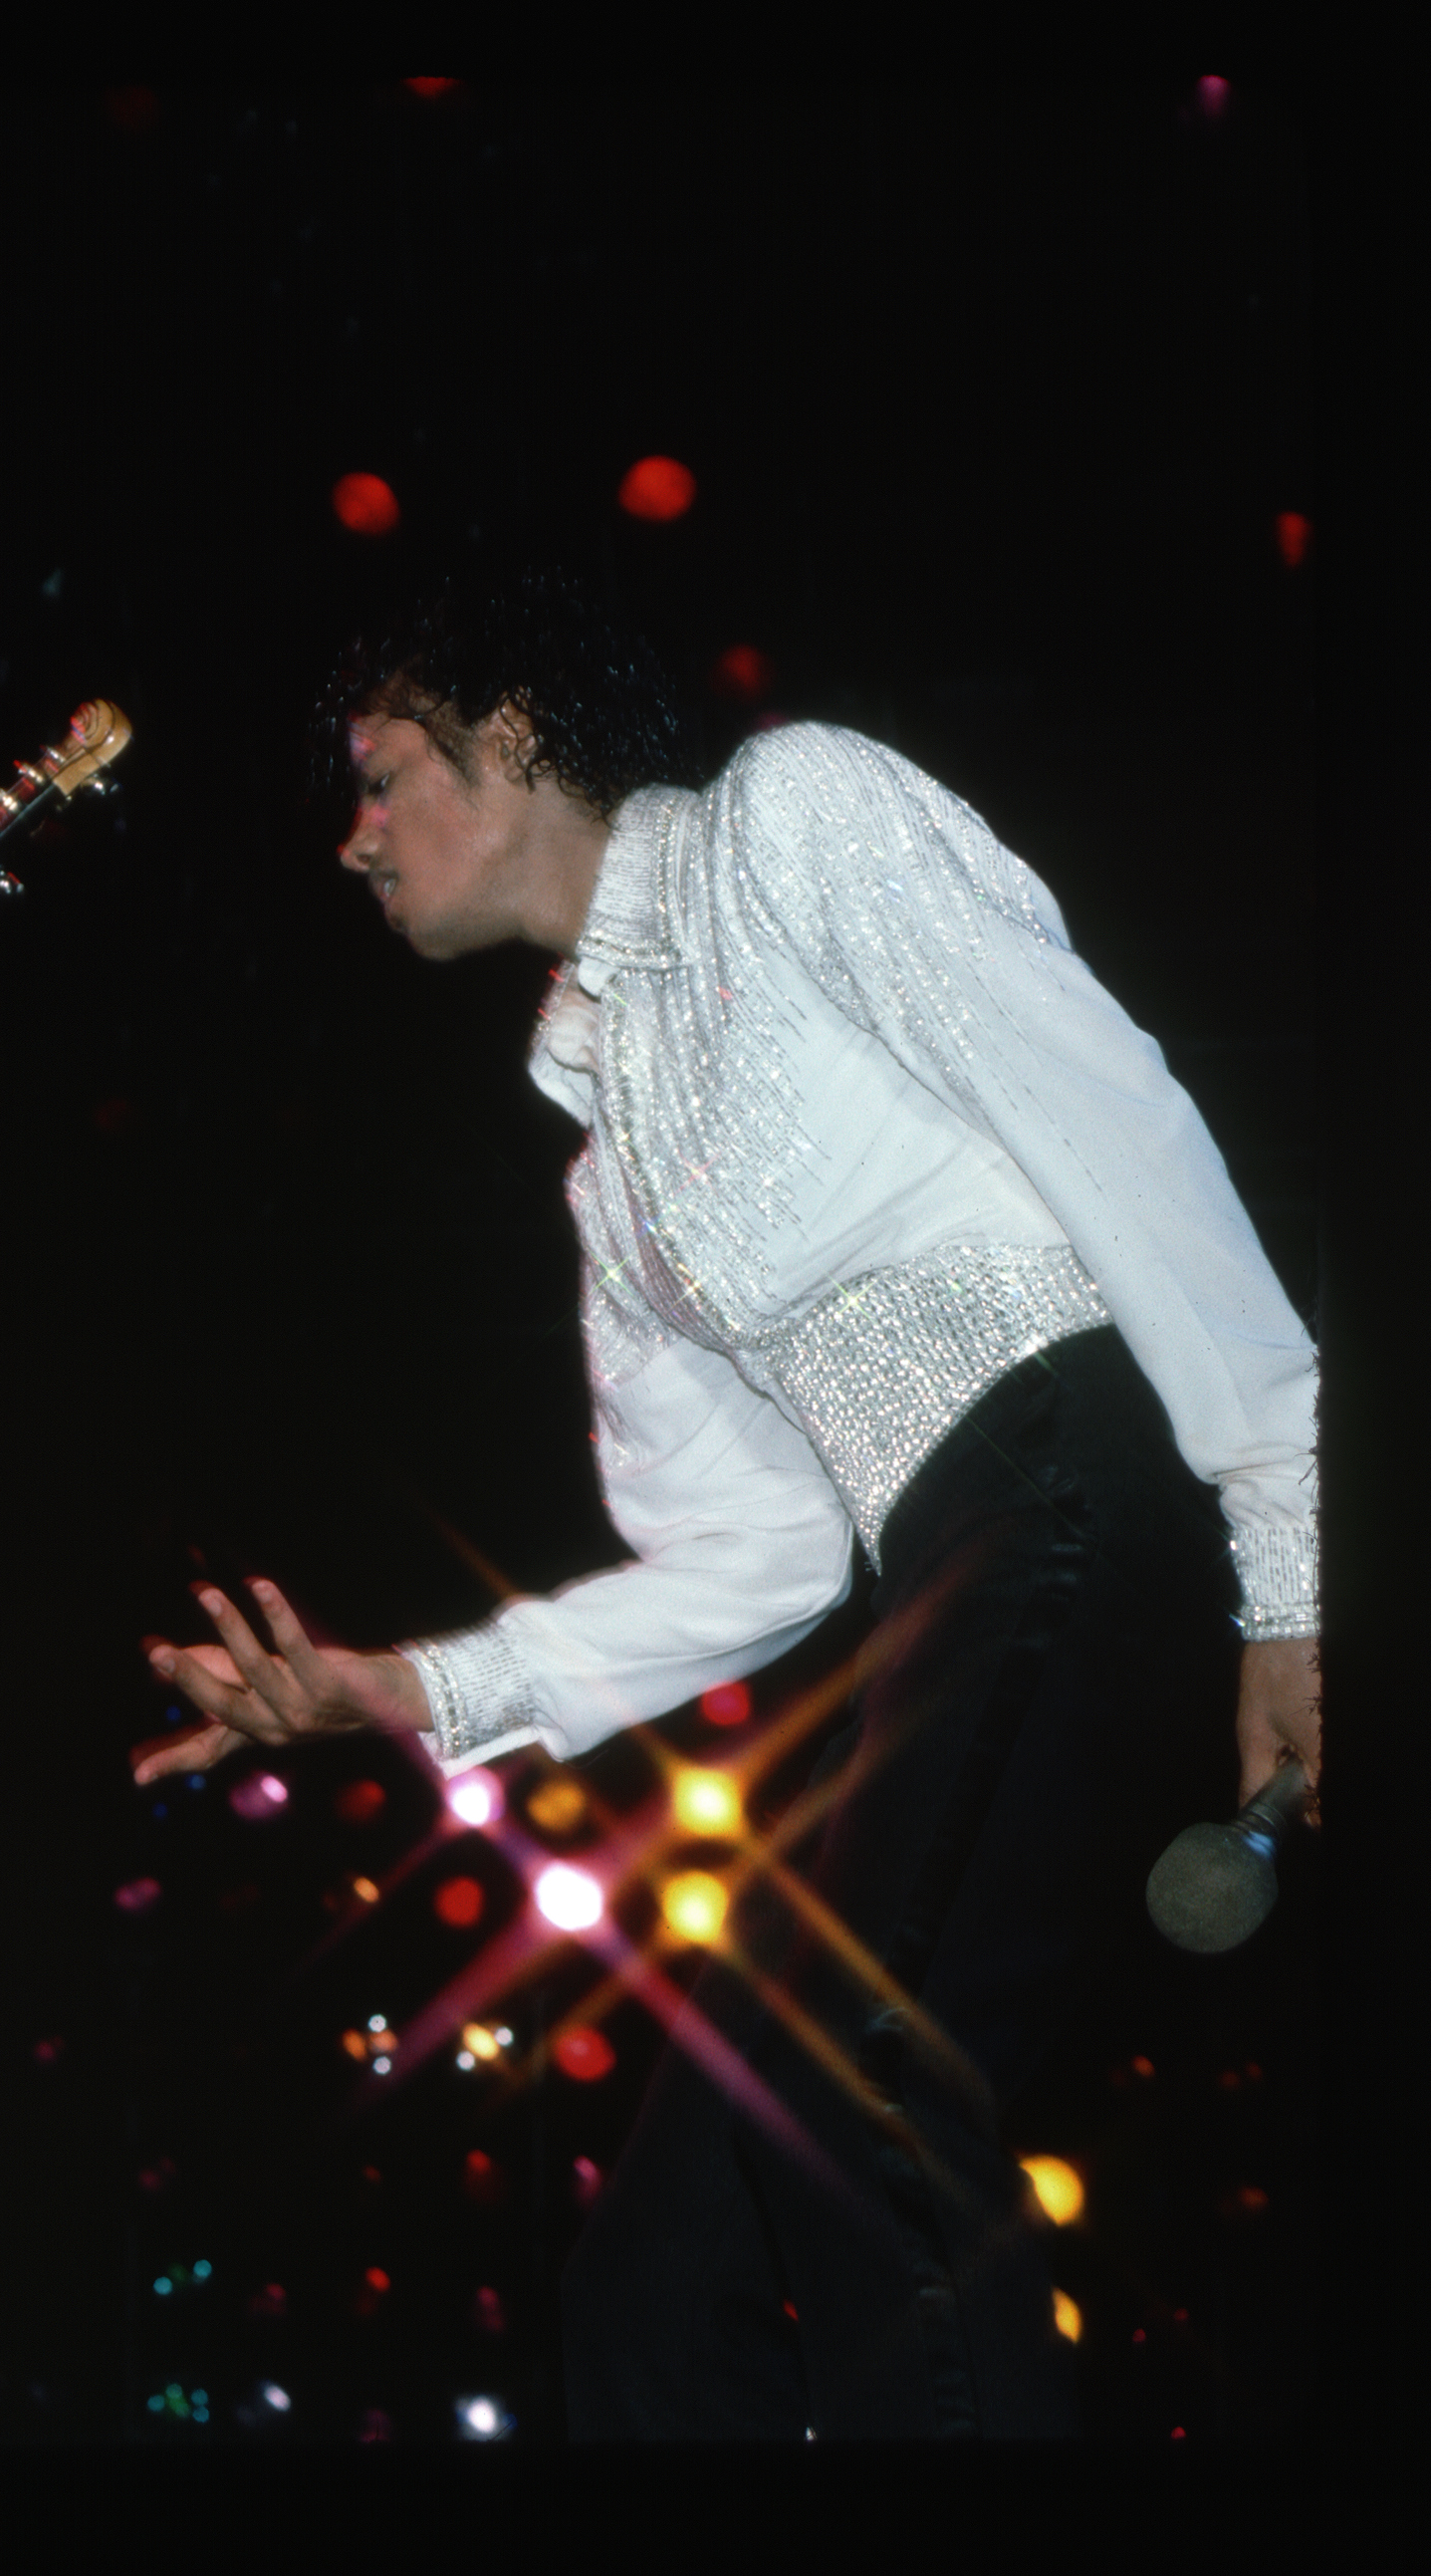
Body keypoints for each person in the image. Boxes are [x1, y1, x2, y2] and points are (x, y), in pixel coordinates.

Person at [129, 570, 1321, 2440]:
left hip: (1076, 1486)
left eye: (378, 778)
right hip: (948, 1571)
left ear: (512, 735)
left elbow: (1122, 1120)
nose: (351, 840)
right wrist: (406, 1691)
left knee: (857, 2070)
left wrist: (1288, 1561)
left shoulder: (795, 814)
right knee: (655, 2283)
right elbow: (762, 1551)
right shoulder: (609, 1153)